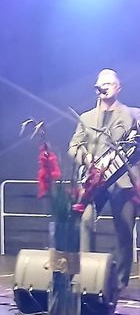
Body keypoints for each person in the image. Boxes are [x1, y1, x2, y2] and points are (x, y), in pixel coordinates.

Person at [68, 69, 139, 293]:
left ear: (118, 88)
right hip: (95, 181)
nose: (104, 86)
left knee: (124, 231)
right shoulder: (86, 118)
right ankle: (86, 276)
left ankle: (120, 283)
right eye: (101, 83)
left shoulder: (133, 114)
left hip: (123, 181)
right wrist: (85, 158)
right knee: (85, 221)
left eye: (109, 83)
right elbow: (73, 147)